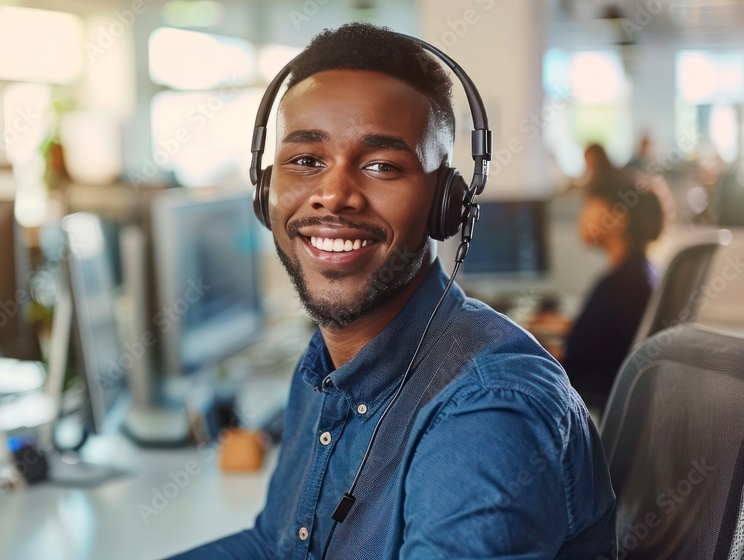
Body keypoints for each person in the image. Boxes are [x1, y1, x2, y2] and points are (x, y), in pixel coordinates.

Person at [168, 23, 616, 559]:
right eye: (305, 161)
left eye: (382, 165)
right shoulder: (320, 373)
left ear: (445, 202)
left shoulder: (486, 414)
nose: (333, 195)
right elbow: (274, 546)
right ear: (266, 189)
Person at [563, 169, 668, 410]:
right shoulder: (641, 275)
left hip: (590, 404)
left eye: (589, 204)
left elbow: (574, 358)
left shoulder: (617, 287)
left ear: (619, 217)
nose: (582, 215)